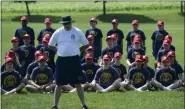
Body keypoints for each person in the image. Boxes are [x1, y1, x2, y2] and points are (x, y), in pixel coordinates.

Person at [48, 16, 89, 109]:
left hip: (74, 60)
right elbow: (50, 45)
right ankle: (55, 106)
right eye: (64, 23)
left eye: (68, 23)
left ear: (71, 22)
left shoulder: (77, 31)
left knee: (77, 83)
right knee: (59, 84)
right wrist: (57, 50)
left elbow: (86, 44)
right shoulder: (58, 32)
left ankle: (83, 105)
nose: (66, 25)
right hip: (62, 60)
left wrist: (79, 50)